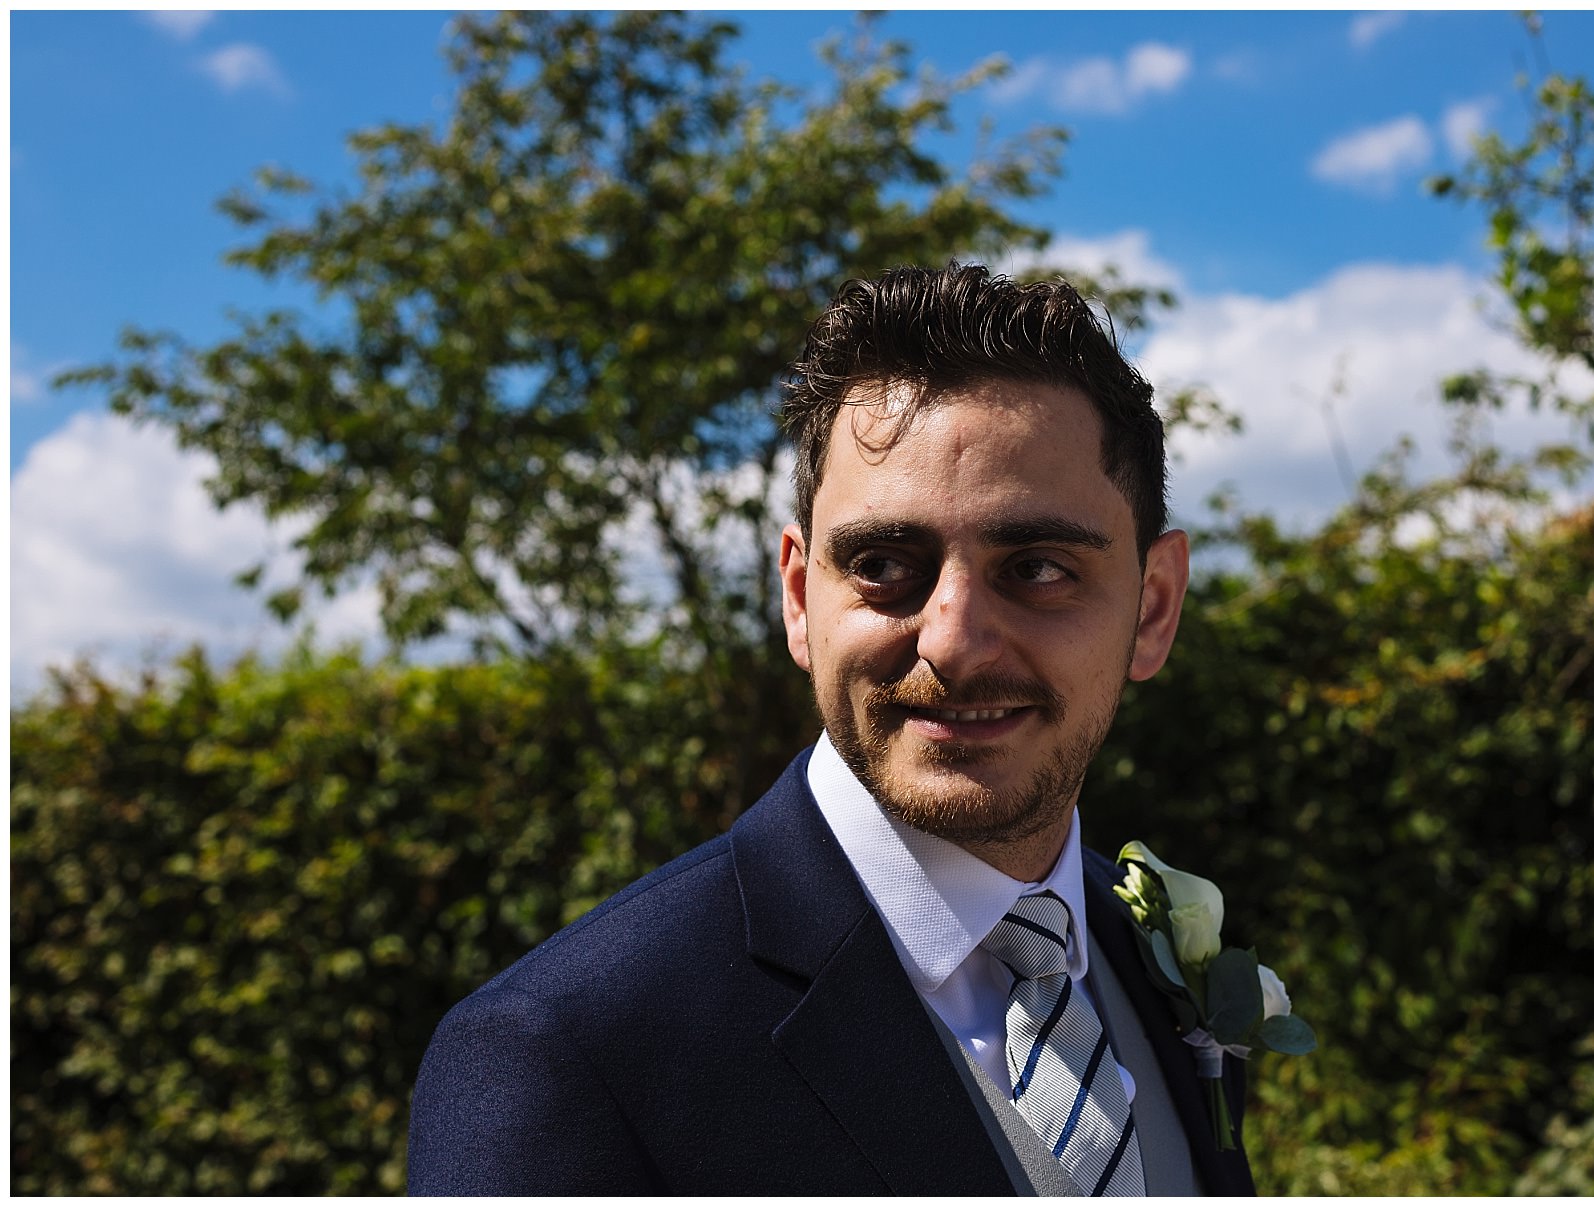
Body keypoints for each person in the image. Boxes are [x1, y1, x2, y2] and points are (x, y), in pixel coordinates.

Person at [406, 263, 1257, 1196]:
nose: (957, 641)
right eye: (886, 563)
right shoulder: (566, 1055)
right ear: (801, 598)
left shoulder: (1154, 954)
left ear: (1154, 607)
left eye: (1040, 567)